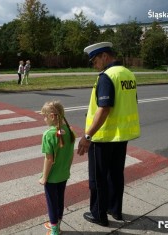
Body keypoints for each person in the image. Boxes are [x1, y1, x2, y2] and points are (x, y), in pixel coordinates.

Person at [77, 42, 140, 227]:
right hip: (121, 136)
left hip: (103, 137)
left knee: (98, 178)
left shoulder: (107, 76)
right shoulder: (128, 74)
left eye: (94, 60)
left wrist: (87, 136)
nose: (94, 65)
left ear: (104, 56)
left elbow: (104, 109)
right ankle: (115, 210)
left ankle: (98, 214)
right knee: (116, 175)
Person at [39, 100, 76, 235]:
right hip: (64, 174)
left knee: (51, 203)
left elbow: (49, 159)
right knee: (60, 200)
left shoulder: (48, 135)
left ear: (53, 116)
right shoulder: (69, 131)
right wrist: (67, 169)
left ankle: (54, 230)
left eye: (45, 116)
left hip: (52, 177)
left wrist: (44, 177)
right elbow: (70, 154)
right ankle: (57, 224)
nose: (44, 119)